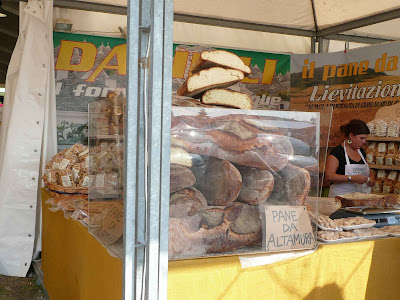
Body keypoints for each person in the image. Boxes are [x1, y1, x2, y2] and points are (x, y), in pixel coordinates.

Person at [325, 119, 375, 198]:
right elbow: (329, 176)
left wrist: (371, 177)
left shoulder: (361, 152)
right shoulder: (337, 153)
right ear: (351, 135)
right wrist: (351, 178)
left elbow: (367, 169)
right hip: (340, 198)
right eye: (361, 138)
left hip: (359, 198)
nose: (364, 142)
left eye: (365, 138)